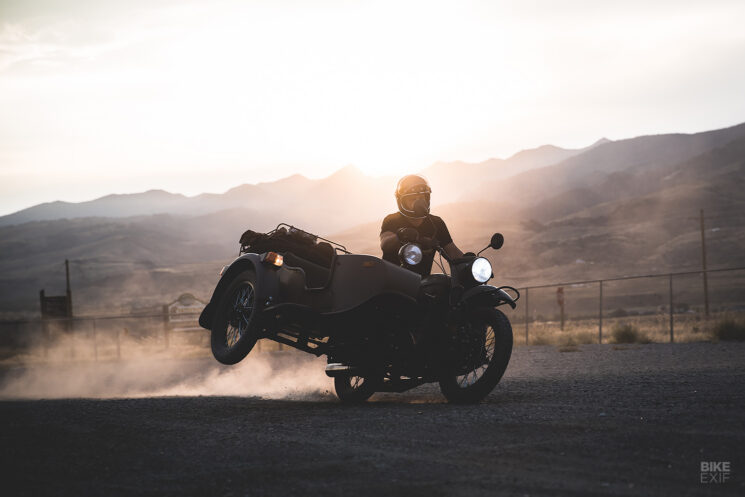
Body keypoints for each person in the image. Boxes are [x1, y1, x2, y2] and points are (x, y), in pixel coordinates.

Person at [380, 174, 464, 276]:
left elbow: (453, 252)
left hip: (422, 284)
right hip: (393, 282)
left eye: (422, 197)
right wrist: (400, 234)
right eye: (412, 198)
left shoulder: (436, 223)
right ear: (402, 201)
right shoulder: (392, 220)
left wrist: (471, 262)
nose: (419, 202)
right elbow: (385, 243)